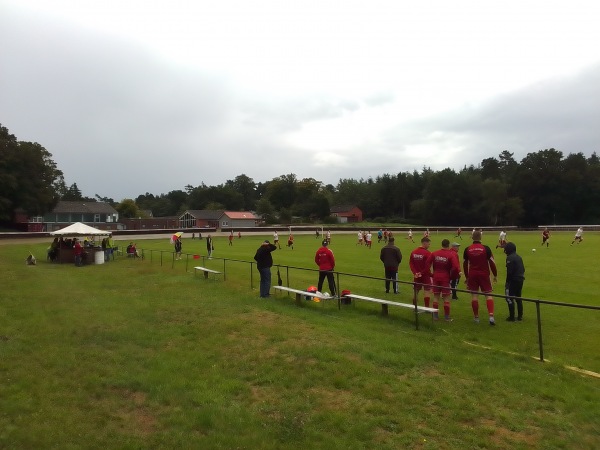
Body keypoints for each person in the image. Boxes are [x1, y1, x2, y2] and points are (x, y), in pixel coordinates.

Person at [463, 230, 498, 325]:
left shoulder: (467, 249)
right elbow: (492, 263)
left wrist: (467, 277)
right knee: (488, 295)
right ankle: (491, 316)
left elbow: (465, 264)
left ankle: (476, 318)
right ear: (481, 238)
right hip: (484, 274)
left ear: (472, 237)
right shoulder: (486, 248)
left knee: (474, 296)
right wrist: (495, 275)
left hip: (472, 274)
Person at [426, 239, 461, 321]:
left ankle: (435, 316)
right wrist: (452, 276)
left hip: (436, 276)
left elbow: (427, 263)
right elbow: (456, 267)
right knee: (446, 297)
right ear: (448, 245)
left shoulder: (434, 253)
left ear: (441, 244)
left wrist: (430, 274)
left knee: (436, 296)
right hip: (445, 277)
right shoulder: (451, 254)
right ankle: (446, 317)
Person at [504, 242, 525, 322]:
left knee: (509, 298)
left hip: (513, 280)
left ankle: (512, 317)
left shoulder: (509, 258)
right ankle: (520, 316)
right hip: (520, 279)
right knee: (518, 298)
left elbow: (509, 272)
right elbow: (523, 269)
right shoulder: (519, 257)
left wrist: (507, 283)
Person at [409, 237, 432, 308]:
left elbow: (411, 264)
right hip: (425, 275)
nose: (429, 245)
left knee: (416, 291)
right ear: (424, 243)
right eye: (428, 244)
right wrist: (421, 273)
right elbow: (427, 267)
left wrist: (415, 273)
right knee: (427, 291)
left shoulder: (414, 252)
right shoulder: (428, 253)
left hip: (416, 276)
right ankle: (427, 308)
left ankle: (414, 307)